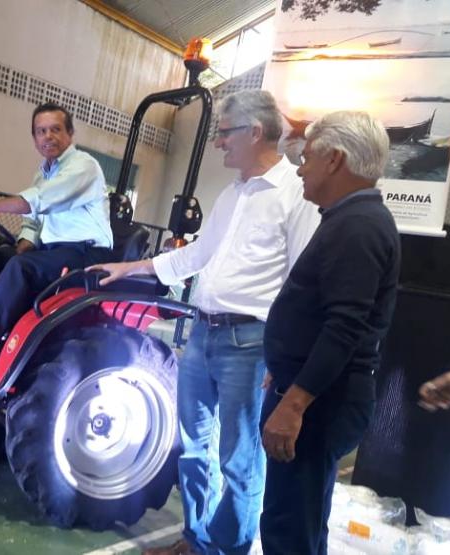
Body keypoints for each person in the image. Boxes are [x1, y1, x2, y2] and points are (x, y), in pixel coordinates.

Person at [90, 90, 320, 555]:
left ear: (255, 132)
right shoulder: (232, 194)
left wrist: (286, 356)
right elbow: (198, 254)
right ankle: (196, 542)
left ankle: (229, 548)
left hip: (252, 343)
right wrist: (130, 269)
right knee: (193, 448)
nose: (218, 143)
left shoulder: (296, 195)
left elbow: (304, 283)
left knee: (239, 461)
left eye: (224, 131)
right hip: (204, 333)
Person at [259, 111, 400, 554]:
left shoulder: (357, 227)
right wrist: (284, 371)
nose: (301, 168)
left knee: (289, 527)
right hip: (316, 396)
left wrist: (294, 402)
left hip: (321, 405)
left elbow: (344, 328)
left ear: (335, 160)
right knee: (299, 518)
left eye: (308, 157)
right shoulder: (350, 219)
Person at [0, 102, 113, 371]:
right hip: (54, 250)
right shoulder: (43, 172)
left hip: (86, 253)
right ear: (35, 138)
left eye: (55, 129)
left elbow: (40, 200)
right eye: (41, 131)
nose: (47, 136)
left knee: (22, 268)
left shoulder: (84, 166)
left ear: (70, 134)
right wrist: (22, 244)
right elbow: (34, 221)